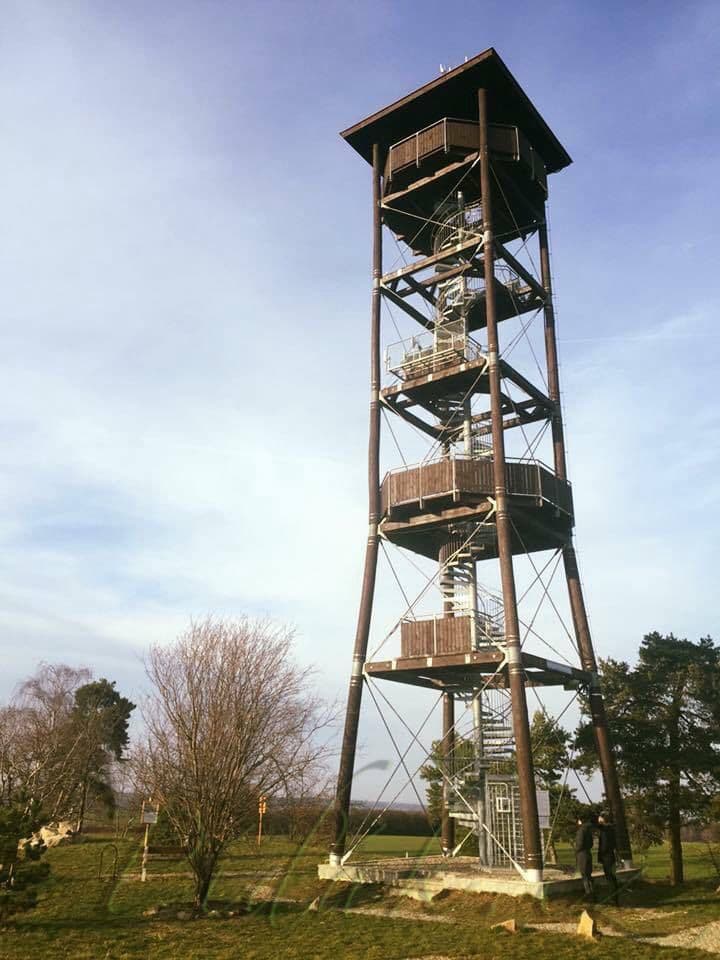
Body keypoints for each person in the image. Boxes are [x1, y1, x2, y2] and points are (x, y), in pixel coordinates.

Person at [597, 811, 620, 906]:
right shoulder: (610, 828)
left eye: (600, 818)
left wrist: (601, 855)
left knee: (610, 878)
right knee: (612, 878)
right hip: (611, 856)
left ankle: (613, 900)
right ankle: (615, 898)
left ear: (603, 819)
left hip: (607, 857)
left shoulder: (605, 831)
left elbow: (604, 845)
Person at [575, 814, 595, 901]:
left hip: (582, 855)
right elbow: (591, 843)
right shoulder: (588, 830)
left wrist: (576, 850)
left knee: (584, 874)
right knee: (589, 874)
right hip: (588, 853)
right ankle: (592, 891)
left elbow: (579, 844)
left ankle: (588, 893)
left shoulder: (581, 831)